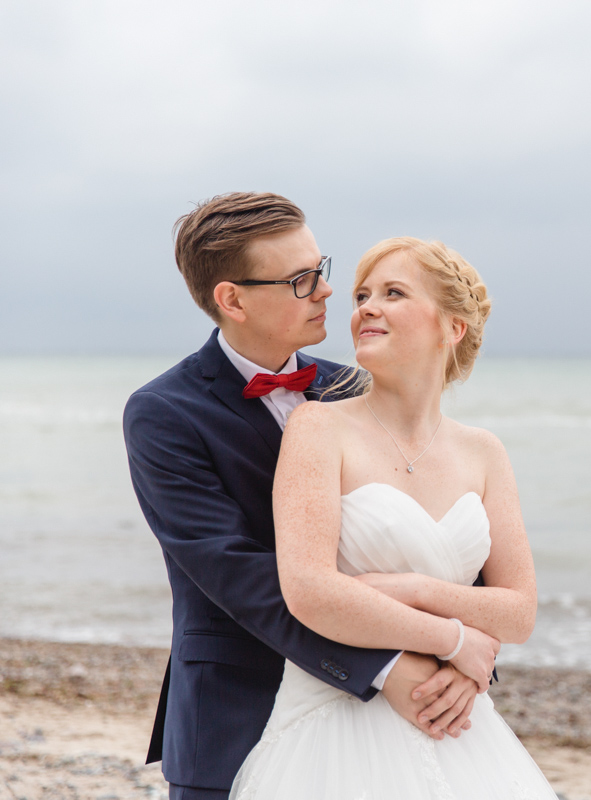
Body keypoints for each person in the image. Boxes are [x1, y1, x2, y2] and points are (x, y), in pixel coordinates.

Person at [124, 194, 480, 800]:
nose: (325, 292)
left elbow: (433, 520)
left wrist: (467, 661)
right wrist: (391, 666)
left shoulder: (357, 385)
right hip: (239, 716)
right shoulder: (163, 414)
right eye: (300, 280)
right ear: (231, 299)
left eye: (322, 269)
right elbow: (238, 574)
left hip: (393, 725)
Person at [228, 237, 558, 798]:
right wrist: (454, 640)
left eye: (393, 293)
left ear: (451, 327)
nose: (364, 308)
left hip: (455, 721)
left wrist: (412, 589)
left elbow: (519, 612)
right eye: (362, 295)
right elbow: (309, 591)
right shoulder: (317, 428)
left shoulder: (484, 452)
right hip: (334, 725)